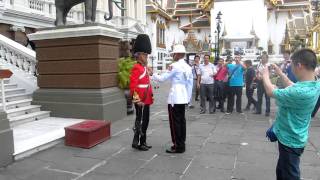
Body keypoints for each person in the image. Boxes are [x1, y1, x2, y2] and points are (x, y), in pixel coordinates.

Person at [263, 49, 320, 180]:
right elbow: (292, 85)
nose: (291, 67)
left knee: (289, 175)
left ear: (299, 65)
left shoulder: (300, 92)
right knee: (283, 171)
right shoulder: (315, 83)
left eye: (292, 64)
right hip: (295, 135)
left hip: (290, 140)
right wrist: (280, 73)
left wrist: (265, 74)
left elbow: (271, 92)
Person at [152, 44, 193, 153]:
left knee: (174, 123)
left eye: (174, 54)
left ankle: (177, 145)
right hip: (183, 96)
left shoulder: (174, 66)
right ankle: (181, 143)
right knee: (182, 121)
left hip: (175, 97)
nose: (173, 56)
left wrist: (153, 74)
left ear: (178, 54)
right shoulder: (188, 67)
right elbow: (190, 84)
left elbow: (162, 79)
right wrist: (188, 99)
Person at [129, 34, 154, 151]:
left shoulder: (143, 67)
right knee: (141, 121)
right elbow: (133, 86)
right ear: (138, 55)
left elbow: (147, 80)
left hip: (146, 98)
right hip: (140, 99)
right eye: (144, 54)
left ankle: (141, 141)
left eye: (147, 54)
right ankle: (139, 142)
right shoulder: (136, 68)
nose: (146, 56)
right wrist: (137, 99)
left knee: (145, 120)